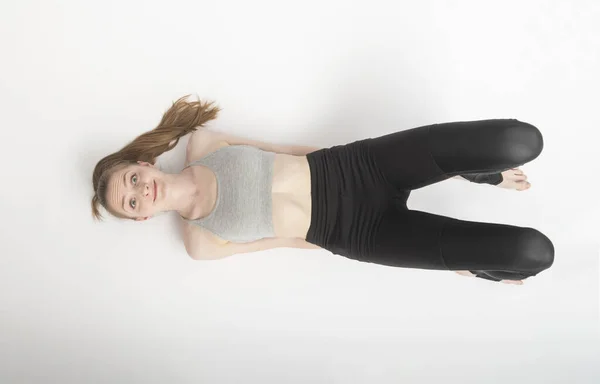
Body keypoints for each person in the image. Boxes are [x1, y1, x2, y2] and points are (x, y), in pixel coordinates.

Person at [91, 95, 554, 285]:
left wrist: (454, 171)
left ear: (142, 164)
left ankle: (473, 169)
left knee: (520, 140)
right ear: (140, 217)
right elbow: (286, 242)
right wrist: (446, 261)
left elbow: (287, 149)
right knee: (531, 254)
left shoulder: (205, 144)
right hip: (355, 234)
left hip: (355, 168)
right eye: (131, 203)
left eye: (132, 179)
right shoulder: (199, 241)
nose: (141, 192)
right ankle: (473, 260)